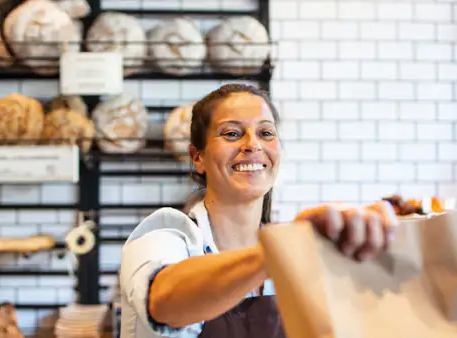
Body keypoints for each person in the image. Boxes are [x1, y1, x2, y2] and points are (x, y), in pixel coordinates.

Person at [118, 83, 398, 338]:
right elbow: (164, 301)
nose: (252, 144)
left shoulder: (298, 255)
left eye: (266, 133)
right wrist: (276, 251)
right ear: (198, 157)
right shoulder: (165, 236)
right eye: (231, 133)